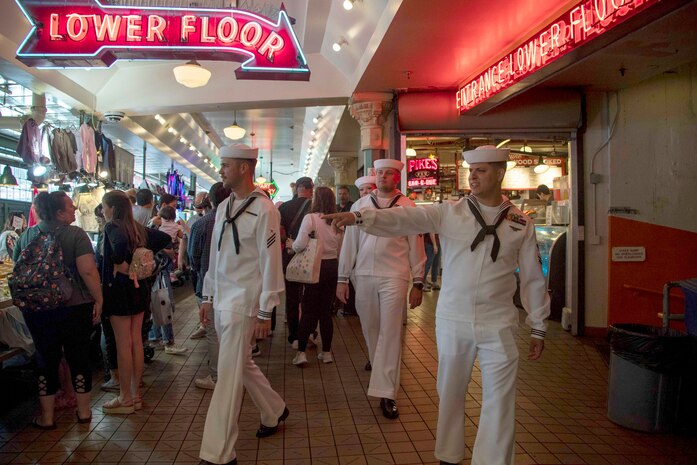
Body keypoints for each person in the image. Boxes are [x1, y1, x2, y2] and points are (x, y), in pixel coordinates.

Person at [325, 145, 550, 465]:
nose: (473, 176)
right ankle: (449, 454)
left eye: (481, 171)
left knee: (500, 399)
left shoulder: (520, 223)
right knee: (451, 392)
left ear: (500, 174)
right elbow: (406, 218)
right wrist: (359, 217)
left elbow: (531, 278)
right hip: (453, 319)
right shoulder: (451, 212)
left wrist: (539, 323)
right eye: (471, 171)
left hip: (498, 321)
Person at [198, 144, 288, 465]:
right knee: (240, 364)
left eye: (225, 165)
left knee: (228, 376)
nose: (221, 170)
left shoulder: (265, 210)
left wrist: (267, 308)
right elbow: (216, 256)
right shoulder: (224, 207)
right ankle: (274, 410)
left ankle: (218, 453)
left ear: (244, 168)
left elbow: (271, 261)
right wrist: (208, 295)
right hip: (222, 299)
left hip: (244, 301)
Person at [336, 159, 426, 419]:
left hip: (394, 275)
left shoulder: (408, 207)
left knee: (390, 332)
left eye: (389, 174)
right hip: (363, 274)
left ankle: (388, 393)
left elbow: (416, 246)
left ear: (397, 178)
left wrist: (417, 281)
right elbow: (350, 243)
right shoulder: (360, 205)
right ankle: (381, 375)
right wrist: (342, 278)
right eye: (381, 173)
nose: (384, 177)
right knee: (371, 329)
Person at [13, 191, 103, 427]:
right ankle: (84, 413)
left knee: (46, 359)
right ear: (59, 212)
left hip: (38, 308)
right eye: (70, 207)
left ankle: (47, 417)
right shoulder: (76, 234)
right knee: (78, 357)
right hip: (75, 306)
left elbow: (18, 271)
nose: (75, 209)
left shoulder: (27, 235)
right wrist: (99, 299)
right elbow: (88, 271)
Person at [98, 191, 171, 414]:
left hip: (118, 290)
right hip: (139, 289)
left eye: (104, 207)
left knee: (123, 344)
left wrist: (121, 262)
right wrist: (140, 258)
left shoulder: (112, 227)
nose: (102, 211)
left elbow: (118, 251)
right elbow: (164, 238)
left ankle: (125, 398)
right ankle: (135, 395)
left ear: (112, 208)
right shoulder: (138, 228)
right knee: (136, 342)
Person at [291, 186, 343, 366]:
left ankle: (301, 353)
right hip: (332, 266)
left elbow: (300, 245)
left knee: (307, 311)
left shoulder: (311, 218)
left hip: (314, 266)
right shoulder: (338, 220)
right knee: (325, 312)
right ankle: (326, 353)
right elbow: (341, 248)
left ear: (316, 200)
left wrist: (292, 245)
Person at [188, 182, 230, 389]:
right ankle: (229, 373)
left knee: (213, 331)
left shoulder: (201, 223)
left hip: (208, 285)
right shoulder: (235, 221)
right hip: (234, 286)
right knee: (228, 331)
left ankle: (216, 376)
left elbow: (193, 257)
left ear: (210, 201)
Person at [278, 176, 314, 348]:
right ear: (310, 188)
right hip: (310, 256)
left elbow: (280, 232)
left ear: (297, 188)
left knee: (291, 298)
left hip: (290, 255)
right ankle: (309, 332)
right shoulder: (314, 207)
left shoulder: (284, 207)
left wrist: (289, 240)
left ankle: (294, 335)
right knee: (308, 297)